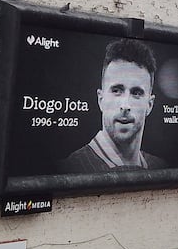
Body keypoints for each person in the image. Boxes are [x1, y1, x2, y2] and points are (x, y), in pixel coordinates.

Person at [60, 38, 167, 173]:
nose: (125, 105)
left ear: (149, 105)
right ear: (101, 100)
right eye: (116, 91)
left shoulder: (161, 168)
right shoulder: (69, 169)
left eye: (136, 93)